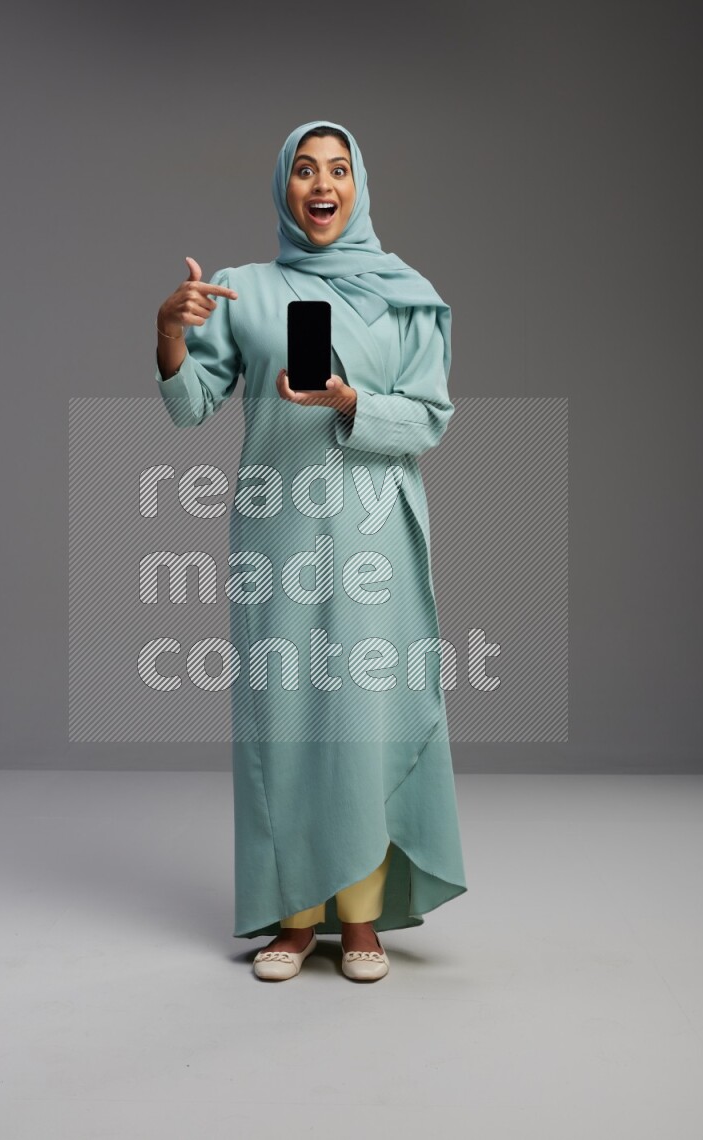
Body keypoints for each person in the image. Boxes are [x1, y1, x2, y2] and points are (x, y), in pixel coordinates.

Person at [154, 120, 467, 982]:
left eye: (337, 168)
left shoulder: (406, 295)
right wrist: (171, 334)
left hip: (375, 538)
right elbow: (189, 410)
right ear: (284, 189)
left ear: (358, 185)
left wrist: (350, 403)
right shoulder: (242, 290)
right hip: (278, 537)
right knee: (287, 725)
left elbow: (429, 419)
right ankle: (294, 918)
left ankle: (360, 920)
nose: (320, 183)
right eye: (303, 169)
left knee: (361, 723)